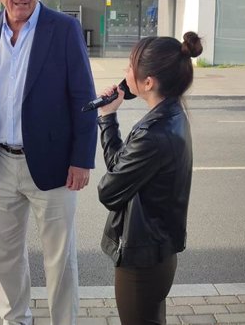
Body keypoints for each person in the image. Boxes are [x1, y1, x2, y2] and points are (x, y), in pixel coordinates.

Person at [0, 0, 97, 325]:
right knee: (4, 254)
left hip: (53, 165)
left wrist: (82, 158)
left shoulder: (62, 29)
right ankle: (15, 319)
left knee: (60, 258)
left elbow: (83, 98)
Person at [96, 32, 203, 325]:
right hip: (158, 253)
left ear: (148, 82)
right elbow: (123, 171)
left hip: (142, 263)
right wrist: (108, 117)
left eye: (130, 67)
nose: (125, 73)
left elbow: (109, 191)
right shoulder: (172, 116)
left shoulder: (153, 133)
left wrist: (106, 120)